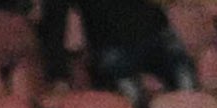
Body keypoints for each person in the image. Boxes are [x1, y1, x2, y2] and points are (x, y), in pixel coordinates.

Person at [39, 0, 197, 101]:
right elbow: (55, 25)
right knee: (129, 102)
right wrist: (59, 76)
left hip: (157, 37)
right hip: (111, 49)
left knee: (189, 89)